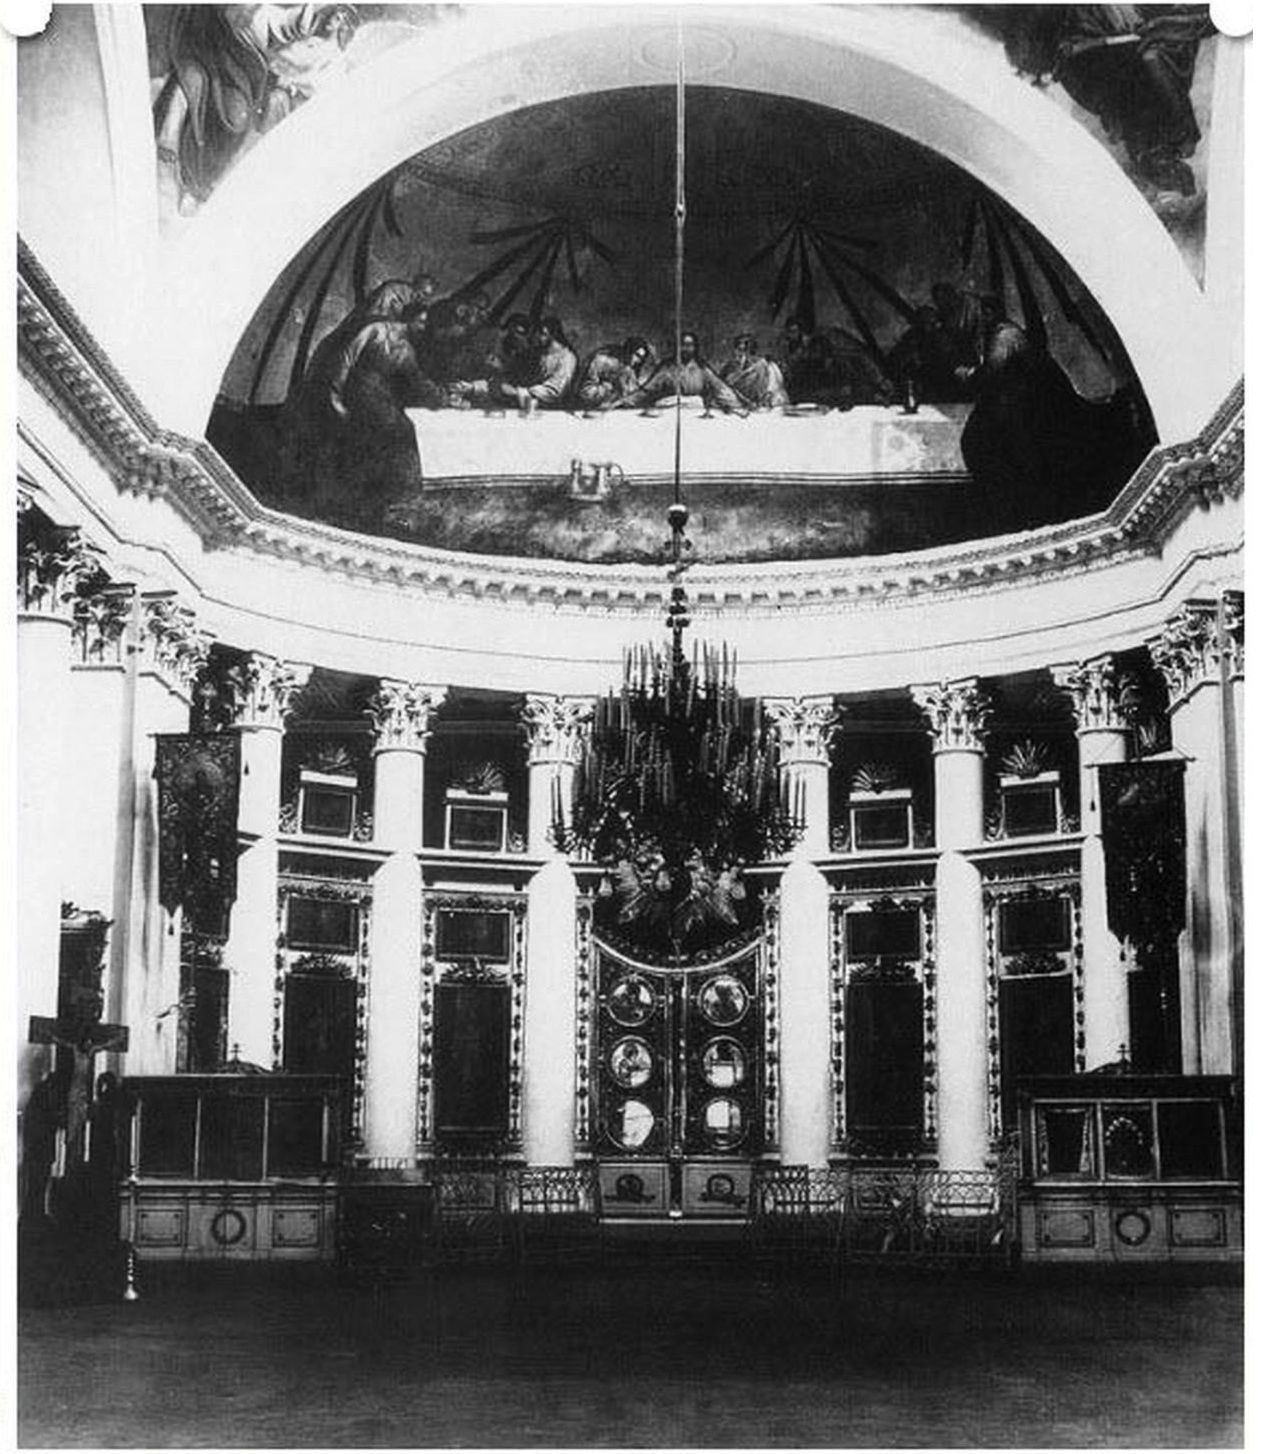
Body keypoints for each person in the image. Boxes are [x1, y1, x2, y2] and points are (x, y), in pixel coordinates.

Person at [610, 332, 747, 414]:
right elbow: (646, 391)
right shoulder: (667, 368)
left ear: (695, 347)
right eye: (683, 345)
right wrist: (622, 402)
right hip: (668, 414)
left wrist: (738, 404)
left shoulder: (702, 369)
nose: (686, 349)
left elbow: (721, 389)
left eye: (690, 345)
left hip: (695, 414)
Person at [577, 337, 656, 409]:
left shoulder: (628, 370)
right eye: (637, 355)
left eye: (641, 358)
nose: (638, 361)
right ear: (629, 350)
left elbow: (632, 394)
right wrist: (608, 388)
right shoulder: (601, 361)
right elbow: (584, 392)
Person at [718, 334, 789, 409]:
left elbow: (770, 389)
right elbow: (722, 384)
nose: (741, 354)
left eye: (745, 350)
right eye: (739, 350)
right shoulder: (728, 367)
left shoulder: (761, 367)